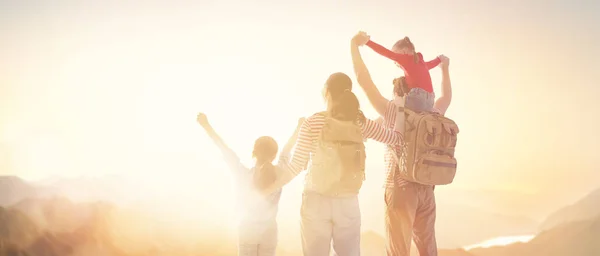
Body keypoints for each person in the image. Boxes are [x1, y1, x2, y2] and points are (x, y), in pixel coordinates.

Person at [261, 72, 405, 256]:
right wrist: (398, 108)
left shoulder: (313, 122)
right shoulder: (360, 122)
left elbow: (296, 165)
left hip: (315, 201)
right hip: (347, 202)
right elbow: (397, 139)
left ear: (327, 92)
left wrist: (269, 189)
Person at [350, 31, 453, 256]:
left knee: (398, 251)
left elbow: (364, 81)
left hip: (400, 187)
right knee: (428, 249)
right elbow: (446, 97)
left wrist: (355, 47)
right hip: (426, 186)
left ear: (399, 92)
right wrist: (444, 68)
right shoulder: (432, 113)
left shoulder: (392, 111)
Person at [197, 113, 304, 256]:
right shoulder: (279, 174)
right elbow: (287, 149)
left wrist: (206, 125)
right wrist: (299, 127)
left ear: (254, 152)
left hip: (247, 229)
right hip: (269, 231)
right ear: (274, 155)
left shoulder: (243, 174)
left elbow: (223, 148)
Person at [364, 33, 445, 113]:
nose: (395, 62)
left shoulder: (406, 59)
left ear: (404, 51)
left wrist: (367, 42)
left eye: (395, 59)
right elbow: (431, 64)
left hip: (417, 99)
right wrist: (439, 59)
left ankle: (396, 118)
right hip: (430, 101)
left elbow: (386, 53)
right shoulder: (420, 62)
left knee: (396, 106)